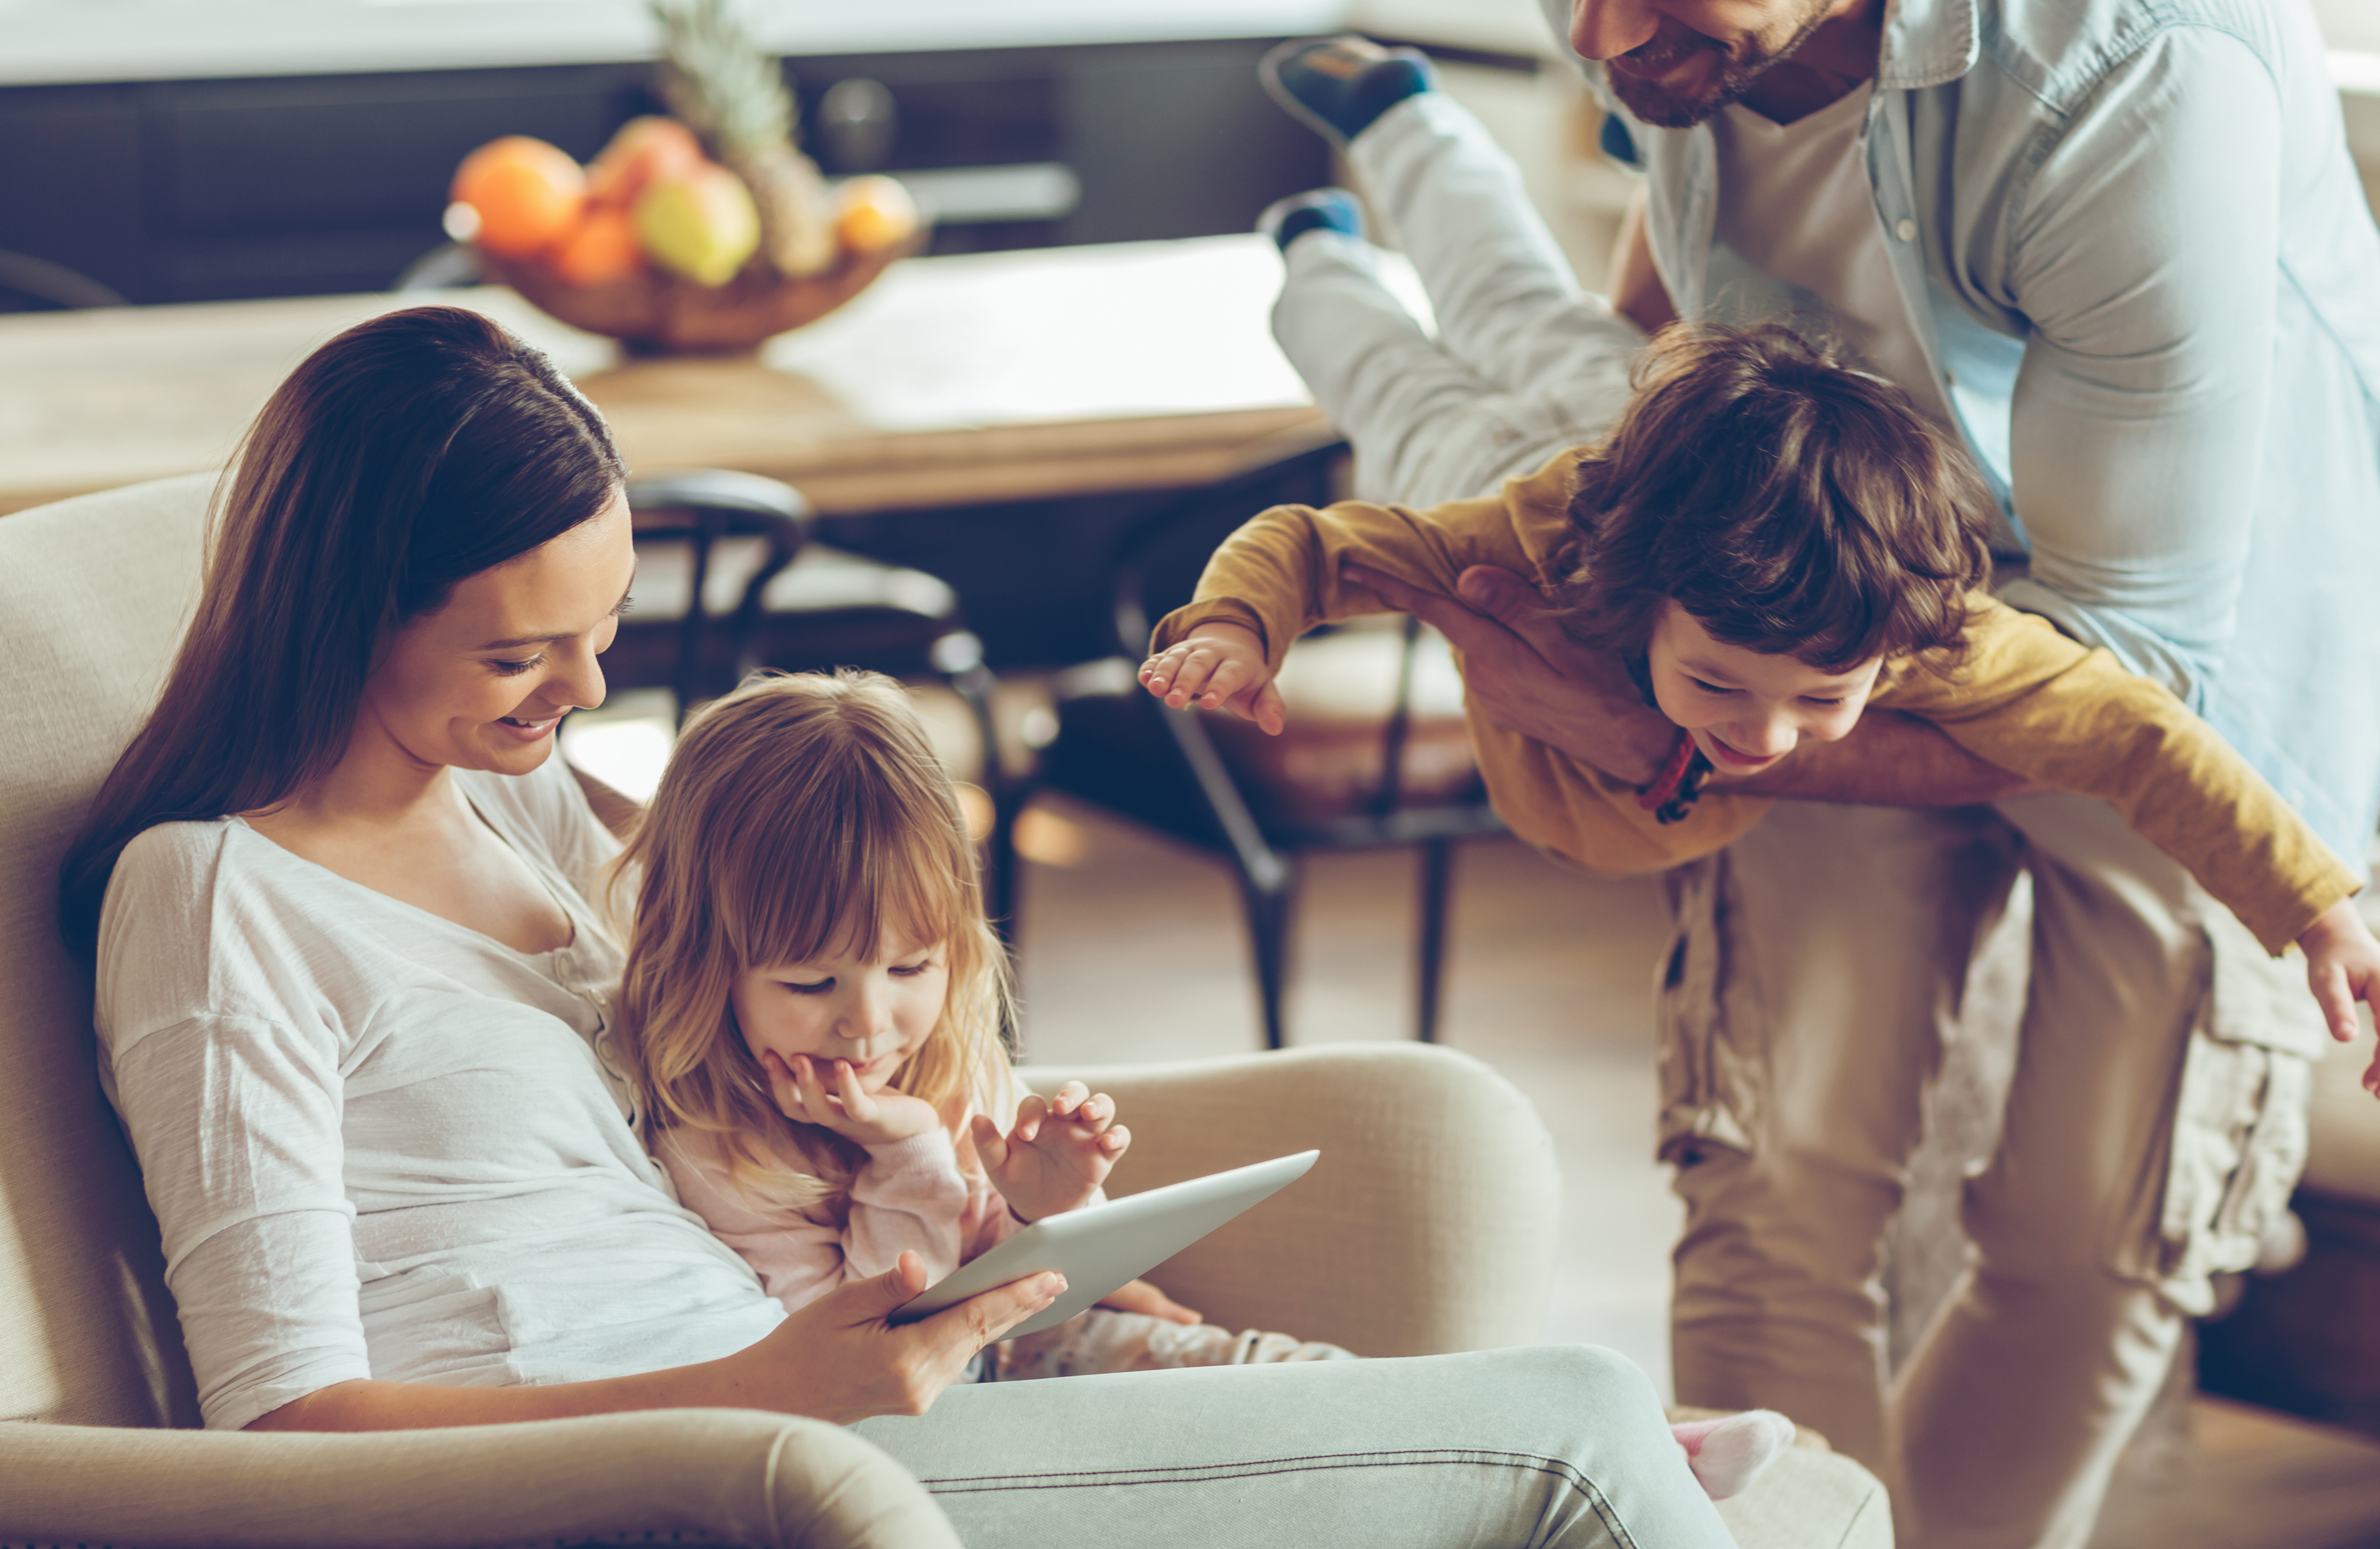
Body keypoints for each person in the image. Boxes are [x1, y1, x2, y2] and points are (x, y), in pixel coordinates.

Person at [56, 302, 1745, 1547]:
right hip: (685, 1483)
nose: (581, 693)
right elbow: (283, 1421)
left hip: (844, 1411)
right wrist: (760, 1398)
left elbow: (840, 948)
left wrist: (997, 1204)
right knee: (1584, 1432)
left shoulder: (523, 799)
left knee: (1573, 1427)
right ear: (349, 608)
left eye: (603, 631)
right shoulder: (213, 900)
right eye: (519, 657)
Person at [1249, 13, 2380, 1546]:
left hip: (2166, 652)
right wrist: (1621, 511)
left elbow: (2136, 672)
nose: (1594, 32)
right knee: (1773, 1178)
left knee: (2100, 1226)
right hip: (1790, 586)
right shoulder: (1655, 36)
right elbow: (1687, 266)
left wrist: (1668, 741)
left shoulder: (2139, 70)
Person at [611, 665, 1801, 1499]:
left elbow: (1003, 1257)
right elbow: (893, 1335)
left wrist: (1045, 1201)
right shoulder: (722, 1142)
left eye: (911, 965)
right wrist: (911, 1147)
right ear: (709, 959)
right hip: (979, 1412)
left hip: (1042, 1345)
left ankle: (1634, 1435)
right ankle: (1614, 1437)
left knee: (1286, 1372)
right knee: (1268, 1399)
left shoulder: (920, 1049)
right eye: (813, 980)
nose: (870, 1019)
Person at [1139, 321, 2380, 1039]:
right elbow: (1311, 539)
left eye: (1820, 700)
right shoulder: (1534, 544)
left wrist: (2316, 907)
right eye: (1719, 685)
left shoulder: (1930, 628)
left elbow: (2140, 736)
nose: (1769, 738)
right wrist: (1243, 629)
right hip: (1514, 502)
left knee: (1546, 332)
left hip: (1626, 470)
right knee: (1421, 369)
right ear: (1644, 600)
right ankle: (1326, 244)